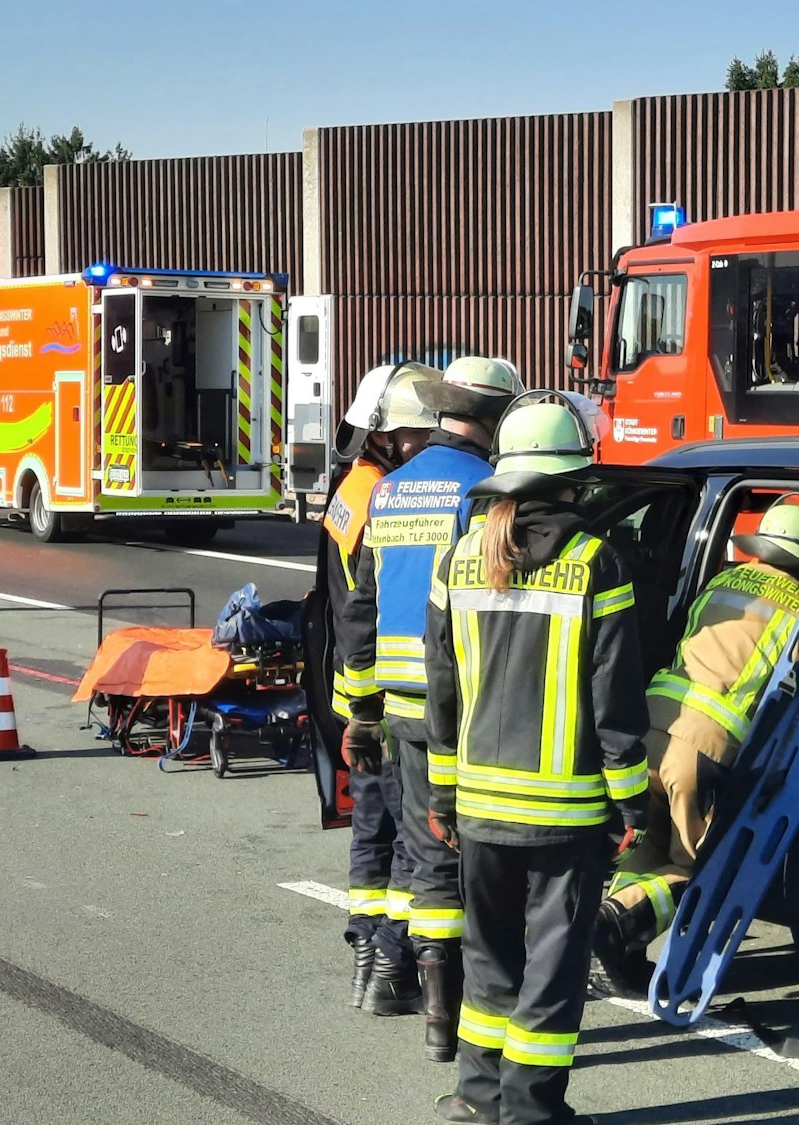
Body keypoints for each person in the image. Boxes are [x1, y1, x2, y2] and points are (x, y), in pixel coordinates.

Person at [423, 396, 650, 1125]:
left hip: (480, 806)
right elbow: (613, 701)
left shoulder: (459, 557)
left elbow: (442, 689)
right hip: (565, 814)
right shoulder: (596, 562)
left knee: (490, 961)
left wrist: (441, 793)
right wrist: (632, 801)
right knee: (551, 971)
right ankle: (532, 1110)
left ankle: (477, 1097)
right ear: (573, 480)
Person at [337, 354, 524, 1060]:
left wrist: (361, 708)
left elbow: (360, 610)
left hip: (401, 708)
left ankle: (437, 1019)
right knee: (485, 860)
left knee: (426, 857)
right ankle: (483, 1011)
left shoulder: (389, 492)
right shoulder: (488, 491)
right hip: (470, 705)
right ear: (497, 415)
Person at [589, 496, 799, 998]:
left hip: (649, 722)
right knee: (695, 869)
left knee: (645, 845)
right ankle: (611, 926)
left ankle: (621, 954)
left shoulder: (722, 582)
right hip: (703, 745)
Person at [313, 362, 441, 1013]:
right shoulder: (378, 496)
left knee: (374, 823)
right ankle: (388, 951)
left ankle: (367, 942)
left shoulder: (350, 488)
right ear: (387, 436)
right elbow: (364, 606)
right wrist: (369, 708)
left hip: (353, 690)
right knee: (405, 831)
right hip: (380, 698)